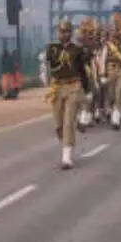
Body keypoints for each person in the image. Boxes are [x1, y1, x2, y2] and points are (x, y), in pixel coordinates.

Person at [46, 20, 90, 169]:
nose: (63, 34)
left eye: (66, 31)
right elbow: (48, 66)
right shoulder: (52, 49)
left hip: (73, 86)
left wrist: (86, 90)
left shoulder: (77, 50)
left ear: (70, 33)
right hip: (57, 88)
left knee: (68, 122)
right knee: (58, 125)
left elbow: (82, 71)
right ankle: (66, 142)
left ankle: (66, 157)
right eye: (61, 31)